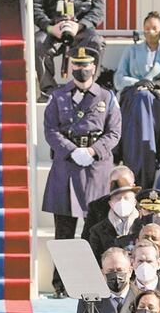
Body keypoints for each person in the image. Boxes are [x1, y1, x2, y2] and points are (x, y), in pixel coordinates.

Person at [42, 47, 122, 297]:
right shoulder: (58, 96)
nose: (82, 69)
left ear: (94, 68)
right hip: (66, 167)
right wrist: (71, 150)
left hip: (96, 169)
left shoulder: (107, 97)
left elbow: (114, 132)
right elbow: (50, 129)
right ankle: (61, 284)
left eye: (86, 65)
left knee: (95, 230)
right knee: (64, 232)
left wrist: (93, 151)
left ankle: (94, 283)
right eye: (77, 65)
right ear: (70, 67)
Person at [30, 0, 106, 99]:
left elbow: (99, 8)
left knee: (97, 41)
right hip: (53, 28)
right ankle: (48, 90)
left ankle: (88, 86)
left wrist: (80, 25)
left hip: (79, 28)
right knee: (38, 42)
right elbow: (35, 8)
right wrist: (50, 27)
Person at [115, 12, 160, 189]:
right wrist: (137, 82)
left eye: (154, 28)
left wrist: (153, 87)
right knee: (141, 97)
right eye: (147, 28)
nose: (150, 32)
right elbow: (118, 79)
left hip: (156, 101)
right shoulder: (131, 51)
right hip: (132, 98)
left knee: (146, 97)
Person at [85, 174, 141, 264]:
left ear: (134, 202)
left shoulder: (143, 226)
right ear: (111, 204)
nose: (122, 202)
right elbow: (95, 261)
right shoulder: (98, 231)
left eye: (126, 198)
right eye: (118, 199)